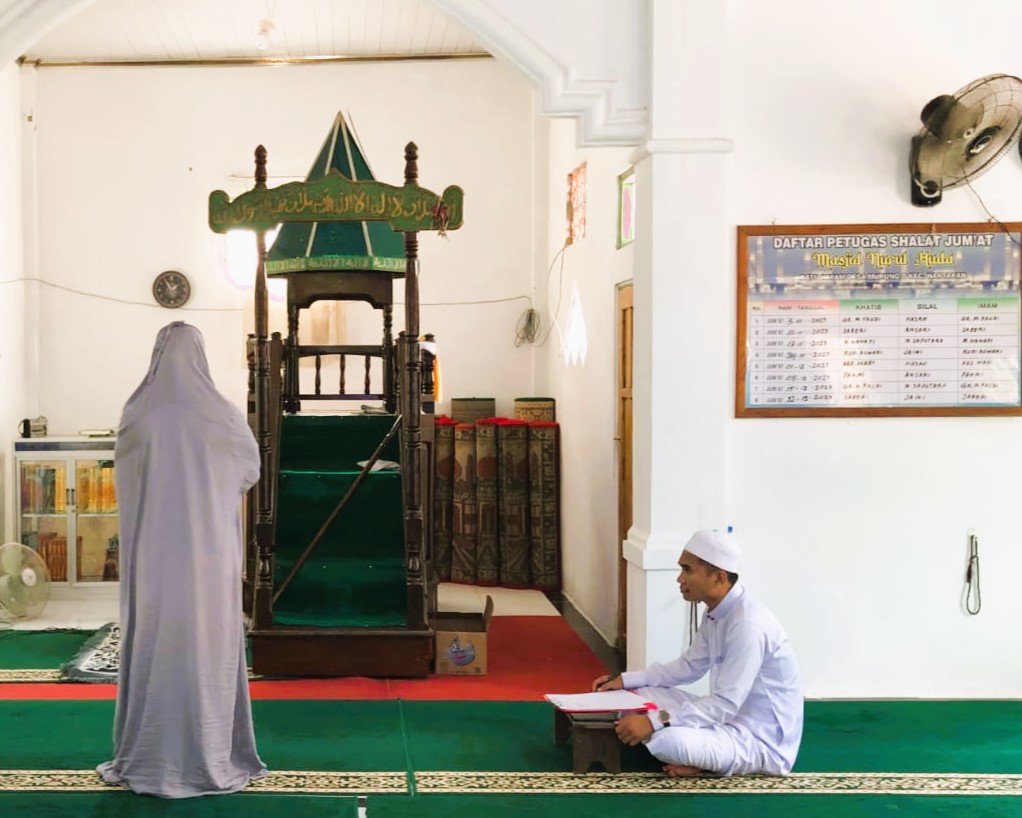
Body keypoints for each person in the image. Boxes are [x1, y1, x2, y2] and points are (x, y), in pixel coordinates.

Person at [97, 322, 266, 798]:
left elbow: (125, 478)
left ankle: (147, 754)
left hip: (153, 558)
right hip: (208, 557)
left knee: (156, 641)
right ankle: (209, 752)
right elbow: (248, 468)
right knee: (205, 644)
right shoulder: (221, 416)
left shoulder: (138, 413)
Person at [592, 530, 802, 778]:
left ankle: (707, 760)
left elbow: (724, 705)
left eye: (688, 570)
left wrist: (653, 721)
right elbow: (688, 667)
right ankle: (703, 757)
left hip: (757, 742)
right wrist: (625, 680)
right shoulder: (717, 612)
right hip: (725, 723)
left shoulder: (748, 626)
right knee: (637, 695)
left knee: (669, 739)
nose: (680, 579)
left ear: (719, 578)